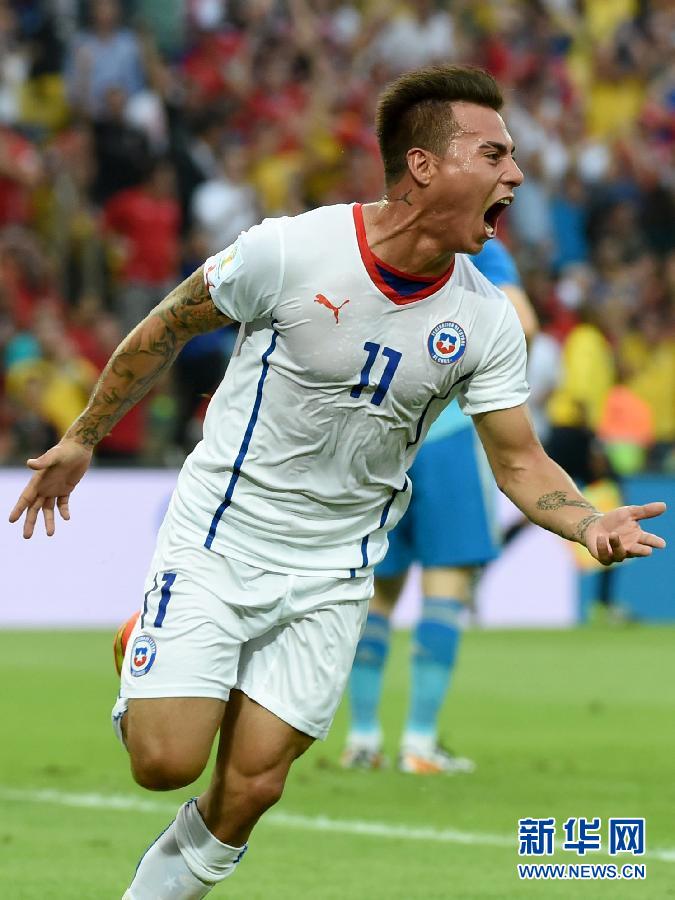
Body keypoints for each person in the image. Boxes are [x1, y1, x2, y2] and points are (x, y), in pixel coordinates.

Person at [9, 65, 666, 899]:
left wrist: (584, 522)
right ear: (424, 166)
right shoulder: (290, 251)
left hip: (335, 568)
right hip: (223, 535)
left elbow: (517, 459)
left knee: (251, 787)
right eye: (493, 154)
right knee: (164, 763)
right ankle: (148, 639)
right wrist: (81, 438)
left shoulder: (484, 318)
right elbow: (165, 325)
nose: (517, 176)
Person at [342, 237, 538, 775]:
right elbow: (524, 324)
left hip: (383, 434)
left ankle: (362, 738)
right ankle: (420, 744)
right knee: (445, 589)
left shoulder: (383, 234)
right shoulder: (477, 248)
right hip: (447, 434)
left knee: (378, 593)